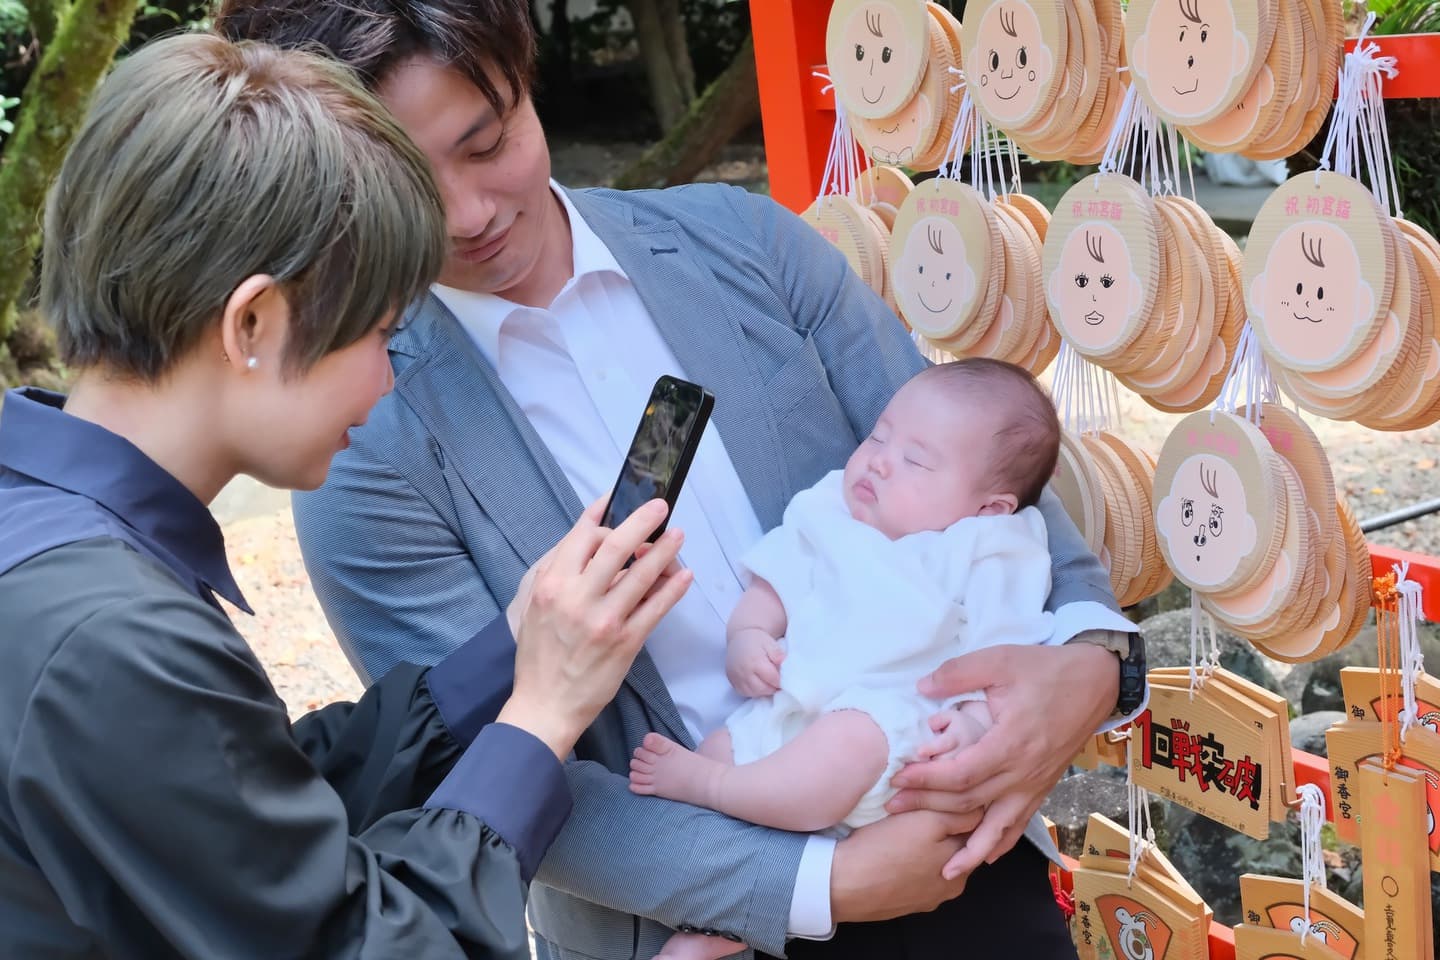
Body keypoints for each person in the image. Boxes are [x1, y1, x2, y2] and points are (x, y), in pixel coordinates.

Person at [214, 3, 1144, 958]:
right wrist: (822, 884)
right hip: (681, 924)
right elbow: (484, 759)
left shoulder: (747, 245)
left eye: (487, 145)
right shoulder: (361, 444)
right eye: (406, 183)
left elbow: (989, 481)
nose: (469, 214)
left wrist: (1092, 666)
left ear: (527, 84)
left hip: (947, 850)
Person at [0, 34, 691, 959]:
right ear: (252, 323)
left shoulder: (45, 534)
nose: (387, 380)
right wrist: (543, 716)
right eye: (378, 333)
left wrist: (513, 651)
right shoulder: (107, 639)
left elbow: (244, 815)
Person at [632, 360, 1100, 960]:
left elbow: (1005, 646)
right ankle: (721, 921)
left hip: (896, 724)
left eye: (916, 461)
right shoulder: (831, 507)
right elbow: (776, 579)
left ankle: (715, 788)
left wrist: (975, 721)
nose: (879, 461)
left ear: (989, 508)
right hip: (790, 704)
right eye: (879, 437)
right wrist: (748, 636)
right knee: (726, 743)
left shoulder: (992, 547)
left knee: (846, 743)